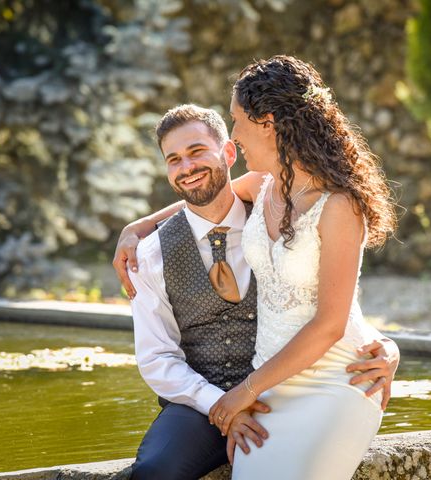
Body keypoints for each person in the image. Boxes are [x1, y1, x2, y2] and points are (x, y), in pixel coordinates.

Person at [113, 103, 399, 478]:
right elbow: (157, 359)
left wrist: (385, 346)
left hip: (282, 385)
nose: (186, 168)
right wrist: (221, 403)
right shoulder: (149, 255)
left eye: (197, 151)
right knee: (154, 471)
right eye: (174, 159)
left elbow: (320, 298)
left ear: (229, 153)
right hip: (201, 401)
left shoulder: (275, 210)